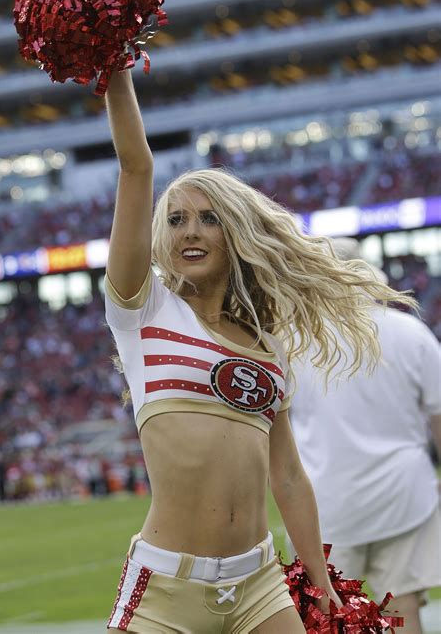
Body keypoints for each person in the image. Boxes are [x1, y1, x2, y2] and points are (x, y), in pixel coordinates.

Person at [103, 70, 414, 633]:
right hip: (167, 587)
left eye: (209, 218)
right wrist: (116, 71)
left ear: (237, 232)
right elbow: (135, 166)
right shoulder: (143, 313)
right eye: (175, 220)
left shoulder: (267, 346)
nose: (188, 232)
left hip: (259, 585)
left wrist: (320, 582)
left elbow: (288, 474)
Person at [288, 238, 441, 634]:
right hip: (404, 495)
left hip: (325, 504)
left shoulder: (294, 343)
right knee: (402, 607)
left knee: (326, 618)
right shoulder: (410, 332)